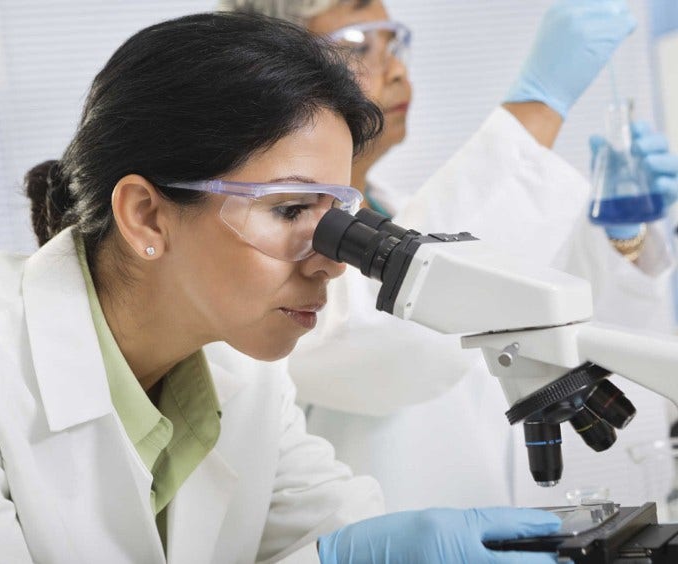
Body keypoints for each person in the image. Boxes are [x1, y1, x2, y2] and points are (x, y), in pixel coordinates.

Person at [0, 11, 563, 564]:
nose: (334, 264)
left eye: (336, 217)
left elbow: (335, 525)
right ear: (147, 216)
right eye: (289, 210)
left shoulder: (247, 377)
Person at [216, 0, 678, 510]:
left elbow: (549, 332)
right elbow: (397, 340)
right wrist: (539, 106)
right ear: (269, 73)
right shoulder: (260, 261)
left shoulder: (400, 206)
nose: (394, 70)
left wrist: (622, 238)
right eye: (359, 44)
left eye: (394, 43)